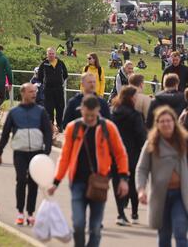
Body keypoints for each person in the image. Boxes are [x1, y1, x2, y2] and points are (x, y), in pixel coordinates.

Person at [49, 95, 130, 247]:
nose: (90, 118)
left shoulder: (108, 127)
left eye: (93, 115)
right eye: (87, 115)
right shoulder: (74, 127)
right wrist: (56, 181)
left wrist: (124, 179)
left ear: (98, 111)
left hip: (99, 183)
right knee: (78, 224)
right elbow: (64, 157)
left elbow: (121, 153)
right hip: (77, 182)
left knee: (95, 228)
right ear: (82, 111)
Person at [0, 83, 53, 227]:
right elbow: (5, 132)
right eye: (30, 92)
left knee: (33, 183)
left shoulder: (40, 111)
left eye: (35, 91)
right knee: (21, 180)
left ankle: (30, 214)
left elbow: (48, 132)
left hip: (37, 152)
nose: (34, 94)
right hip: (20, 152)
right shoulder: (14, 112)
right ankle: (20, 212)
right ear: (23, 93)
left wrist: (46, 151)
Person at [137, 106, 188, 247]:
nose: (166, 124)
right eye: (162, 121)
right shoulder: (151, 144)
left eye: (169, 121)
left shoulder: (184, 141)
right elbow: (142, 169)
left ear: (174, 122)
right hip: (161, 196)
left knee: (180, 231)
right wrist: (141, 190)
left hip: (181, 195)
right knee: (164, 236)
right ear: (157, 124)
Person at [111, 85, 147, 226]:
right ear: (131, 98)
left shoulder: (113, 113)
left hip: (116, 154)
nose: (137, 98)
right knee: (132, 184)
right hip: (133, 154)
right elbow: (141, 136)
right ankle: (134, 213)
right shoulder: (135, 115)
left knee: (117, 182)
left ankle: (120, 213)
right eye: (135, 96)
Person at [37, 47, 69, 130]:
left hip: (58, 89)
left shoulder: (60, 63)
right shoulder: (44, 63)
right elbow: (39, 76)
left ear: (55, 54)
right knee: (49, 108)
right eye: (49, 53)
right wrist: (45, 83)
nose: (51, 55)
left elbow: (65, 74)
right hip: (48, 90)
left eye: (52, 53)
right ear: (47, 54)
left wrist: (60, 81)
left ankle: (59, 125)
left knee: (60, 107)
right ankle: (50, 125)